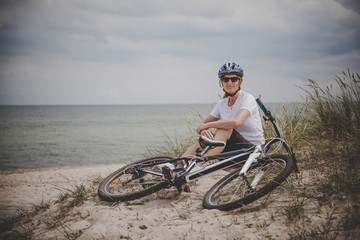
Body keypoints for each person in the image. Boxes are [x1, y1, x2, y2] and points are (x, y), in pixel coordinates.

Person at [182, 62, 265, 160]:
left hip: (253, 150)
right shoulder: (222, 104)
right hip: (233, 150)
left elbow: (236, 122)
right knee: (205, 138)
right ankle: (178, 165)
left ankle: (198, 165)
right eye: (226, 80)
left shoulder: (247, 99)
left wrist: (208, 125)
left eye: (234, 79)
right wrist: (204, 131)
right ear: (222, 83)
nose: (229, 83)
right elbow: (200, 126)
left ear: (240, 82)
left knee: (224, 129)